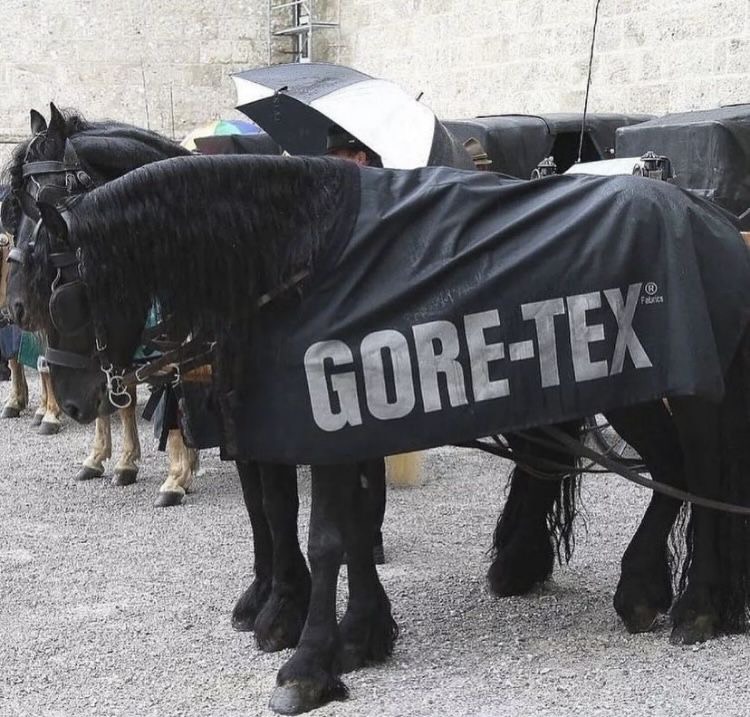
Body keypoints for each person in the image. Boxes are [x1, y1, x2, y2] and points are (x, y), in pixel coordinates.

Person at [326, 124, 387, 564]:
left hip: (371, 327)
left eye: (339, 157)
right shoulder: (342, 199)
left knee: (368, 444)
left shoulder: (379, 197)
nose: (331, 165)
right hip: (344, 327)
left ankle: (371, 535)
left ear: (359, 157)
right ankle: (353, 529)